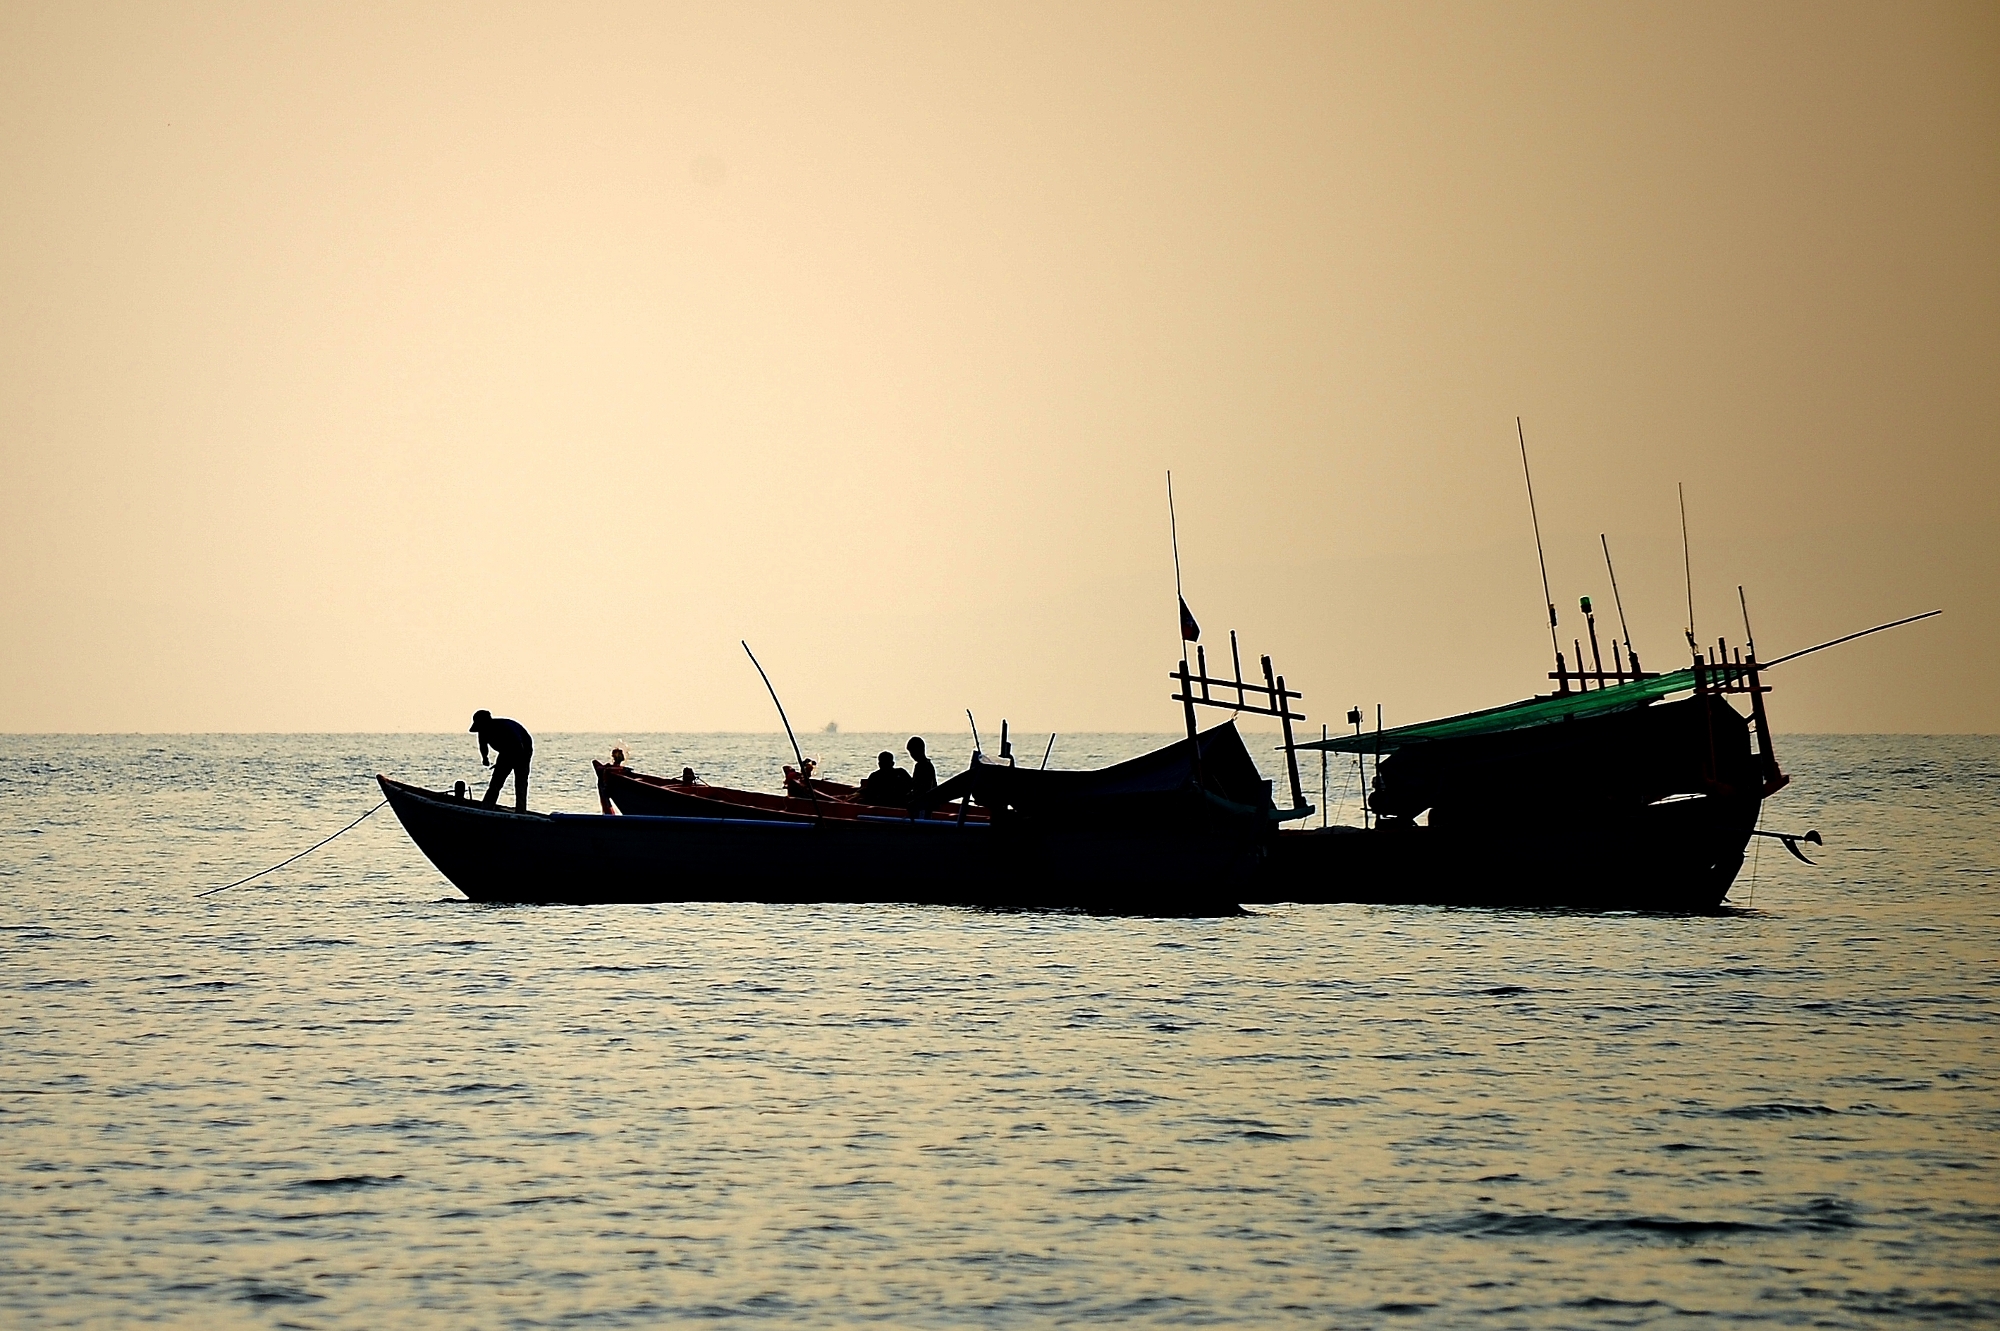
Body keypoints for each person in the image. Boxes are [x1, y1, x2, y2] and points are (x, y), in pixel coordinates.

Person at [469, 709, 533, 811]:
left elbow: (518, 745)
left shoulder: (505, 727)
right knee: (495, 783)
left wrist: (505, 762)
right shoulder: (482, 731)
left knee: (520, 783)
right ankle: (487, 807)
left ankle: (521, 810)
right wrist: (485, 758)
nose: (482, 730)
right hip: (505, 752)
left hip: (523, 751)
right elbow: (483, 745)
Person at [907, 736, 936, 812]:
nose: (912, 755)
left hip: (923, 802)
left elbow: (922, 787)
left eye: (912, 752)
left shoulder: (922, 766)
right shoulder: (927, 764)